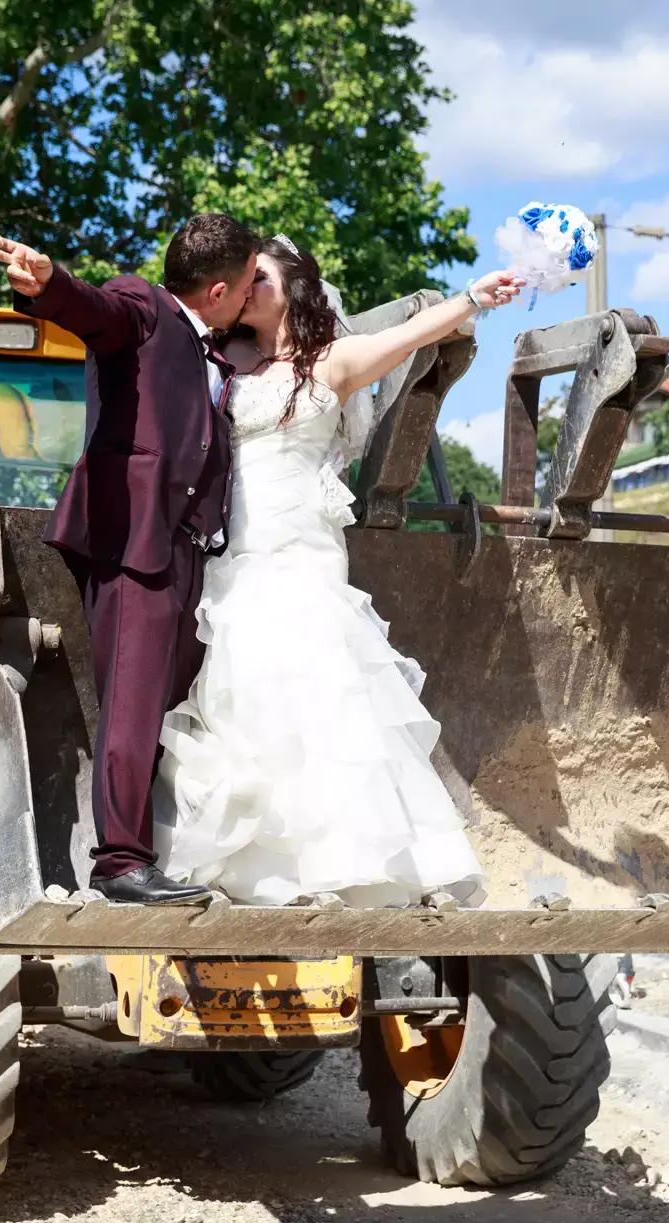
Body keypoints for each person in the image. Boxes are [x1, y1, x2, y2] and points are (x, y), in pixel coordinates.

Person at [152, 235, 523, 906]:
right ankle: (266, 870)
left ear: (291, 285)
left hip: (303, 553)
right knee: (246, 695)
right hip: (238, 556)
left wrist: (474, 297)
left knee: (323, 698)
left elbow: (412, 334)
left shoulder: (334, 363)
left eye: (256, 275)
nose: (242, 285)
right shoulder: (225, 362)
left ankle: (336, 866)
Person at [0, 214, 258, 905]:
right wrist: (49, 287)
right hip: (135, 543)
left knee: (174, 710)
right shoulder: (144, 305)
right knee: (131, 707)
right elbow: (97, 311)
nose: (254, 292)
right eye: (251, 280)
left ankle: (165, 846)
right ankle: (118, 862)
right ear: (220, 289)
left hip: (185, 554)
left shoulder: (217, 350)